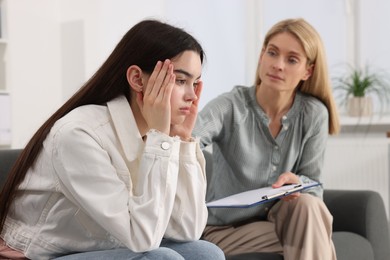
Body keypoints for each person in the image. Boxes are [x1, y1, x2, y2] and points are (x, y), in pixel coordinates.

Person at [0, 19, 225, 260]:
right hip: (40, 255)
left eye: (195, 83)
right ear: (138, 79)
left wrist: (180, 139)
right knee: (161, 259)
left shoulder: (155, 134)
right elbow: (143, 238)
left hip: (103, 247)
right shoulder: (79, 134)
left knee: (206, 253)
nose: (192, 96)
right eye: (180, 81)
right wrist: (162, 142)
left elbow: (188, 230)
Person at [193, 18, 340, 260]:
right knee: (314, 235)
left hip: (283, 220)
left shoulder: (314, 114)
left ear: (308, 71)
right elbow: (190, 140)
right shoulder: (230, 106)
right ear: (262, 56)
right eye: (272, 53)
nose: (278, 65)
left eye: (291, 59)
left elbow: (314, 189)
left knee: (309, 207)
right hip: (225, 231)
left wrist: (298, 183)